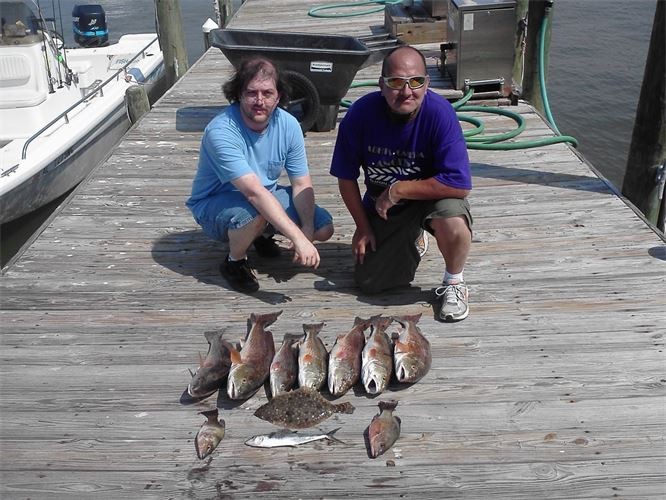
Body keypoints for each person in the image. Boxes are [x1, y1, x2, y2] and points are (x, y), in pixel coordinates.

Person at [329, 45, 472, 322]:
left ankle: (454, 283)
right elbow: (346, 177)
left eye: (416, 82)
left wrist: (398, 190)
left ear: (427, 84)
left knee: (453, 223)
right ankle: (413, 236)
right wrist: (363, 226)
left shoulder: (440, 114)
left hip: (433, 199)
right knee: (370, 283)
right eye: (395, 82)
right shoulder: (359, 115)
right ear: (381, 85)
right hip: (384, 209)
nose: (406, 91)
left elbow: (459, 184)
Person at [187, 57, 334, 293]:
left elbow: (300, 182)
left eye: (267, 93)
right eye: (251, 93)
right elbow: (253, 193)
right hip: (216, 203)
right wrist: (296, 239)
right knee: (255, 214)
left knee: (323, 228)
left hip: (265, 195)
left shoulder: (289, 125)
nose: (259, 101)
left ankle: (261, 235)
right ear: (238, 95)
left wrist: (306, 230)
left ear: (279, 96)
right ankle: (234, 262)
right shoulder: (221, 131)